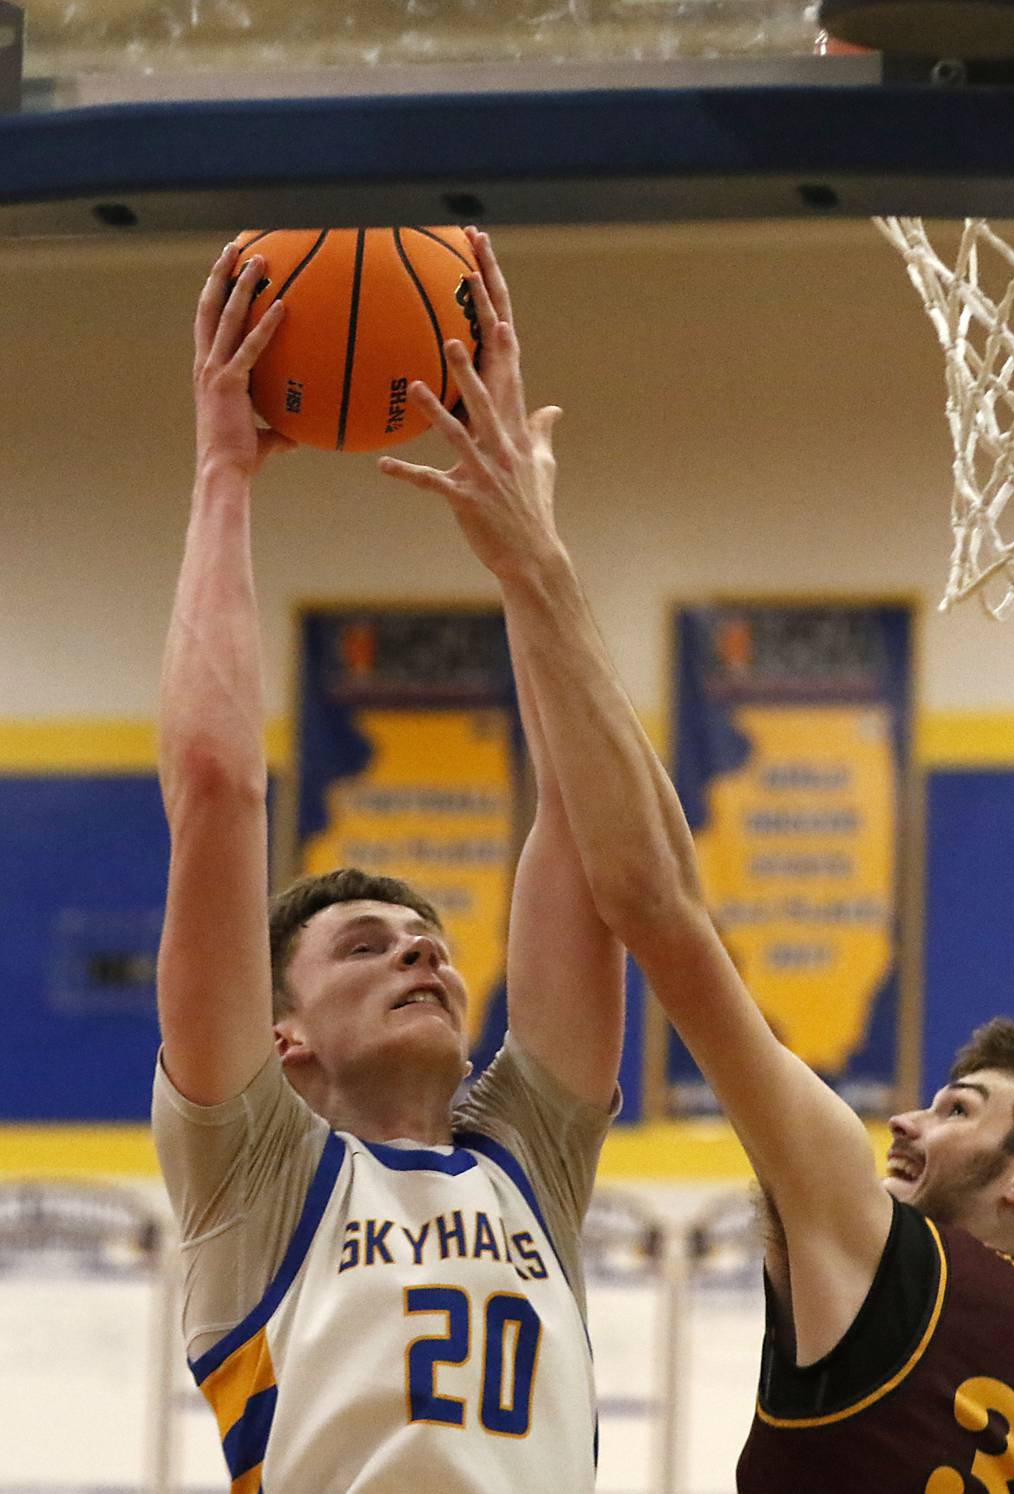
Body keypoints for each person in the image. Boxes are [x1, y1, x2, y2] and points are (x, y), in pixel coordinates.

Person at [381, 238, 1014, 1494]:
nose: (908, 1116)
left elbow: (655, 907)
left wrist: (534, 566)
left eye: (961, 1108)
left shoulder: (887, 1251)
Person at [153, 232, 624, 1492]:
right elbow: (214, 791)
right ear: (282, 1036)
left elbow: (589, 830)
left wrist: (531, 552)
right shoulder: (254, 1171)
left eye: (425, 938)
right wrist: (223, 474)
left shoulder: (528, 1153)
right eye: (363, 946)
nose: (421, 946)